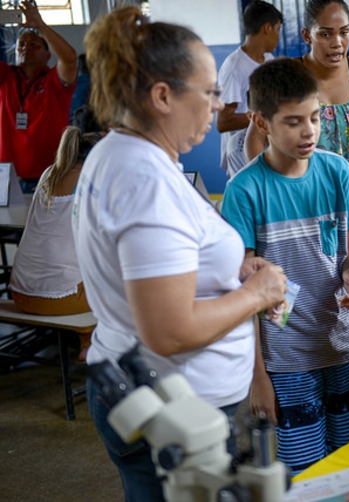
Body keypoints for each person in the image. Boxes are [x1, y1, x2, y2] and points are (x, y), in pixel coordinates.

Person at [75, 7, 288, 501]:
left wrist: (233, 269)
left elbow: (155, 265)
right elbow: (170, 330)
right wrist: (256, 294)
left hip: (155, 389)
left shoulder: (122, 152)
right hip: (178, 405)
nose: (219, 105)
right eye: (210, 91)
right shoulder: (144, 180)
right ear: (163, 96)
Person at [221, 58, 349, 474]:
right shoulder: (245, 191)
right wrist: (258, 377)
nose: (309, 131)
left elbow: (344, 253)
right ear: (261, 122)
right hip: (286, 361)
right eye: (293, 122)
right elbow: (243, 298)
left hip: (343, 347)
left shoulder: (338, 172)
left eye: (314, 118)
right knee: (305, 472)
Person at [245, 0, 349, 203]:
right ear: (307, 36)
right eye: (325, 34)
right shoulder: (288, 75)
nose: (337, 42)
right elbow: (255, 138)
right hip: (300, 201)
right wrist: (272, 188)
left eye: (344, 32)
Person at [9, 126, 101, 360]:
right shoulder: (92, 181)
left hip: (19, 293)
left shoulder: (49, 173)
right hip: (60, 299)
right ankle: (95, 346)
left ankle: (87, 341)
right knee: (123, 283)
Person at [0, 0, 77, 193]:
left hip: (50, 174)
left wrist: (40, 26)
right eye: (22, 44)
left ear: (48, 55)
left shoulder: (54, 79)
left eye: (34, 44)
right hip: (8, 177)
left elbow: (69, 58)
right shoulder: (7, 76)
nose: (26, 47)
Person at [217, 0, 283, 177]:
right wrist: (266, 119)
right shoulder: (234, 68)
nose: (278, 37)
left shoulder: (268, 60)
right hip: (240, 155)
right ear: (267, 28)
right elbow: (223, 122)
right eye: (277, 30)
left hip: (264, 147)